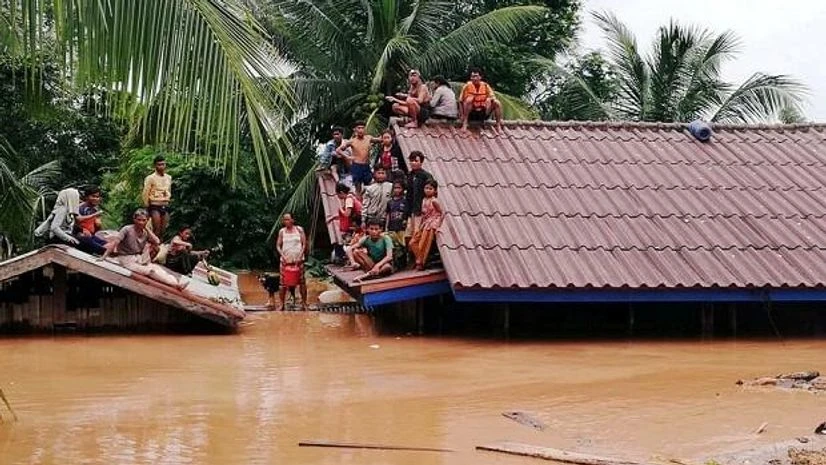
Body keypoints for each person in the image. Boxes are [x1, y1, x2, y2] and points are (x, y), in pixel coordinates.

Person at [101, 209, 188, 290]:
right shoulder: (127, 229)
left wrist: (146, 228)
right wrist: (104, 257)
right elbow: (115, 243)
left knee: (158, 269)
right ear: (134, 220)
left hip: (139, 258)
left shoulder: (145, 232)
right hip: (126, 259)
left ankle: (177, 283)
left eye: (144, 220)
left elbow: (157, 241)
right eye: (139, 220)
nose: (141, 222)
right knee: (151, 271)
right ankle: (175, 285)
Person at [275, 213, 308, 311]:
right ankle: (282, 304)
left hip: (299, 261)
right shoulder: (282, 231)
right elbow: (278, 245)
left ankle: (304, 303)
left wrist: (300, 255)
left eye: (288, 219)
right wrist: (283, 255)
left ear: (293, 220)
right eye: (284, 220)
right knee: (282, 284)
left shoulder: (299, 230)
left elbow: (304, 244)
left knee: (302, 282)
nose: (286, 221)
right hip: (285, 262)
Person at [409, 180, 443, 270]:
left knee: (425, 242)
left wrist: (438, 225)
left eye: (430, 188)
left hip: (432, 223)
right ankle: (419, 259)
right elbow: (423, 214)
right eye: (426, 188)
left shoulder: (434, 201)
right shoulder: (424, 200)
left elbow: (441, 213)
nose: (428, 190)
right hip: (425, 222)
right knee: (413, 242)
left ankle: (421, 262)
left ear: (435, 191)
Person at [326, 183, 362, 263]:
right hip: (353, 225)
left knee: (349, 245)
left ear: (341, 192)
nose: (338, 197)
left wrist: (340, 209)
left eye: (338, 195)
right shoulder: (351, 197)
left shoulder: (349, 199)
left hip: (355, 225)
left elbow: (347, 214)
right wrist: (333, 218)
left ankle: (351, 261)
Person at [337, 121, 376, 194]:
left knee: (369, 187)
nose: (361, 130)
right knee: (358, 187)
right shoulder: (352, 141)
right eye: (359, 128)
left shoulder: (369, 138)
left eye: (362, 128)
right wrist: (347, 157)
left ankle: (366, 201)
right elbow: (338, 150)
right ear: (355, 129)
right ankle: (359, 201)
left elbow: (380, 140)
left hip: (366, 165)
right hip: (357, 166)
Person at [404, 151, 434, 238]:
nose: (413, 163)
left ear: (421, 162)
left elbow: (432, 193)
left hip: (422, 209)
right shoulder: (410, 175)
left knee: (418, 233)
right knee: (409, 234)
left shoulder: (426, 176)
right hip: (411, 209)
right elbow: (408, 194)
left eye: (416, 161)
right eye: (411, 160)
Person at [142, 155, 172, 239]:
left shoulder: (168, 177)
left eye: (163, 164)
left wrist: (168, 198)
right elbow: (145, 192)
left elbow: (169, 190)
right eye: (159, 164)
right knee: (156, 229)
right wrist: (146, 206)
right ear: (155, 165)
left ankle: (160, 246)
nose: (162, 166)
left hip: (165, 204)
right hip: (154, 204)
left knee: (163, 229)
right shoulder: (150, 178)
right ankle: (152, 247)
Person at [74, 185, 108, 255]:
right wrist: (81, 230)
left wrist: (98, 225)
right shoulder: (80, 207)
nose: (96, 199)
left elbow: (96, 227)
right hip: (80, 236)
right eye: (93, 196)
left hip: (91, 236)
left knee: (108, 245)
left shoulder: (94, 209)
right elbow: (76, 221)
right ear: (86, 197)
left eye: (97, 197)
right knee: (103, 249)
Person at [385, 180, 409, 269]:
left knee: (402, 246)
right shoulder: (390, 202)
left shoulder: (405, 201)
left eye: (399, 188)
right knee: (394, 246)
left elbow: (407, 215)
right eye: (395, 188)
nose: (397, 190)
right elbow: (388, 215)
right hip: (392, 227)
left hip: (401, 228)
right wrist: (386, 228)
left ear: (402, 189)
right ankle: (397, 264)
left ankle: (404, 263)